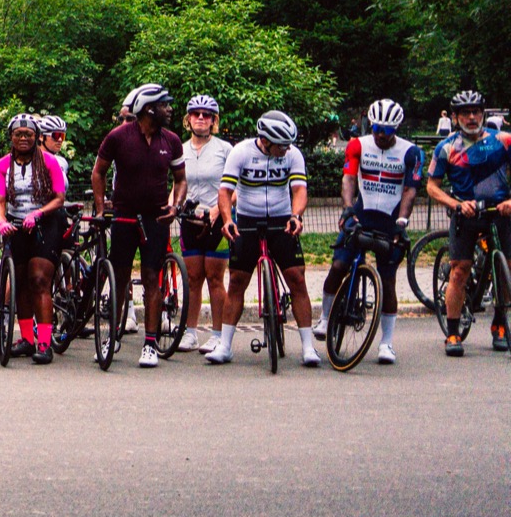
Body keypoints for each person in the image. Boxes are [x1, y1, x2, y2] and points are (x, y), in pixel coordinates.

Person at [316, 99, 423, 365]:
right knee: (339, 264)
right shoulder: (358, 145)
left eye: (386, 130)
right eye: (376, 128)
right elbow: (349, 177)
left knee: (387, 281)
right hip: (362, 214)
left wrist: (402, 222)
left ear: (395, 128)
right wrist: (348, 208)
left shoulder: (411, 152)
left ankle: (386, 343)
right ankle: (325, 318)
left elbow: (410, 190)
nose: (380, 135)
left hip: (390, 220)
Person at [207, 111, 318, 367]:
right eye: (281, 145)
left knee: (297, 279)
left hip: (281, 221)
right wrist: (228, 220)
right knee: (236, 281)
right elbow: (225, 191)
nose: (286, 149)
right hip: (247, 221)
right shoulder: (242, 152)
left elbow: (299, 189)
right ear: (265, 140)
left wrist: (296, 215)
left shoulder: (292, 155)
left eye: (289, 144)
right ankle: (225, 346)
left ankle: (308, 347)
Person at [91, 83, 187, 369]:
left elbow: (181, 179)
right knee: (119, 278)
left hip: (155, 218)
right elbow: (99, 172)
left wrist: (175, 206)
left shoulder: (171, 140)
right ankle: (113, 336)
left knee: (151, 278)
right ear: (148, 109)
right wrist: (100, 207)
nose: (170, 110)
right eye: (164, 105)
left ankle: (150, 343)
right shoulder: (118, 137)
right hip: (124, 216)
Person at [424, 89, 511, 356]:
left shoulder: (504, 141)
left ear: (483, 114)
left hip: (500, 212)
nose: (471, 117)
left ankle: (499, 324)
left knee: (506, 269)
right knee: (460, 271)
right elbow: (431, 186)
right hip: (466, 214)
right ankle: (452, 332)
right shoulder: (447, 147)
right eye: (465, 113)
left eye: (476, 112)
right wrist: (456, 204)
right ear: (454, 117)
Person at [0, 114, 68, 364]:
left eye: (29, 135)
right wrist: (2, 221)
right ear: (11, 137)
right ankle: (26, 339)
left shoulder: (48, 162)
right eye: (18, 134)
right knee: (21, 283)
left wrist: (38, 213)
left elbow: (59, 197)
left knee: (38, 279)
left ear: (36, 137)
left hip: (47, 222)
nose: (23, 138)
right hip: (16, 223)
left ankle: (44, 343)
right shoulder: (2, 165)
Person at [177, 95, 232, 353]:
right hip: (190, 219)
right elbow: (179, 184)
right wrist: (172, 206)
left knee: (215, 278)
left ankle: (218, 334)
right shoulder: (181, 149)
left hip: (217, 219)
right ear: (188, 119)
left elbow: (236, 187)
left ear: (214, 121)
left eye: (206, 115)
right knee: (193, 278)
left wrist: (218, 210)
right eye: (195, 114)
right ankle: (190, 332)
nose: (201, 118)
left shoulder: (225, 149)